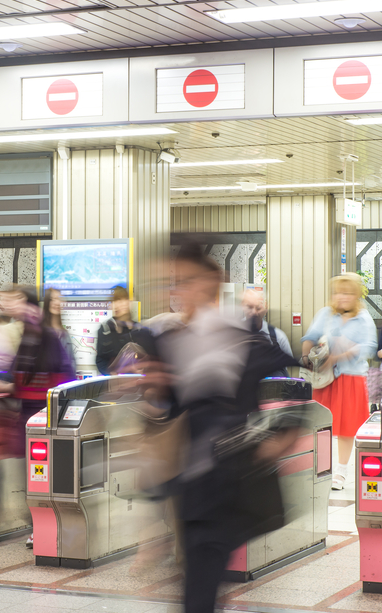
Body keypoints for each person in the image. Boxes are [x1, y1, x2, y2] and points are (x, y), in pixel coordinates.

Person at [148, 244, 298, 613]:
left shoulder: (242, 338)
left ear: (212, 282)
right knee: (199, 585)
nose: (179, 291)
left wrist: (282, 436)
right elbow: (168, 415)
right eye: (174, 282)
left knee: (200, 584)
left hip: (230, 481)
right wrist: (154, 389)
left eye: (186, 281)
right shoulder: (169, 342)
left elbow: (295, 388)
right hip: (190, 484)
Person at [0, 286, 74, 549]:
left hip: (47, 417)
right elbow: (16, 383)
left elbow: (63, 379)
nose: (11, 305)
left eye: (19, 301)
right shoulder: (26, 337)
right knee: (33, 477)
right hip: (28, 417)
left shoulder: (48, 337)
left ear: (33, 307)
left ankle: (49, 526)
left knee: (44, 475)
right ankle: (40, 526)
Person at [300, 273, 377, 491]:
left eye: (347, 293)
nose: (342, 297)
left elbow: (369, 346)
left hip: (351, 378)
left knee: (346, 428)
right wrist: (306, 357)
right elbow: (310, 336)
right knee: (321, 425)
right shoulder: (325, 314)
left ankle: (340, 472)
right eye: (338, 292)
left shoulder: (363, 318)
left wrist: (342, 354)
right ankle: (321, 467)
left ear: (355, 295)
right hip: (325, 379)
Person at [95, 285, 140, 374]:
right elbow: (100, 360)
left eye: (124, 299)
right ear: (112, 305)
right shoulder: (105, 329)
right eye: (117, 300)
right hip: (115, 382)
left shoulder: (138, 329)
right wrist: (110, 373)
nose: (121, 303)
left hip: (136, 381)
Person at [43, 288, 74, 362]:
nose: (57, 303)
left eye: (60, 299)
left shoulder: (65, 333)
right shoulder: (40, 330)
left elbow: (71, 361)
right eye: (52, 299)